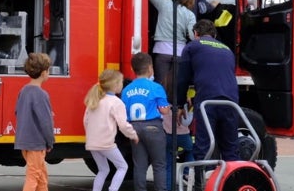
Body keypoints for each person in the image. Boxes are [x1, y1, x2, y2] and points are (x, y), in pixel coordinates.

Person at [176, 19, 239, 191]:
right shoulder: (227, 49)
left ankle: (199, 186)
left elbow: (182, 78)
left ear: (195, 34)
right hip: (231, 102)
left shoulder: (192, 47)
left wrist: (179, 103)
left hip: (207, 101)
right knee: (230, 148)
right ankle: (230, 185)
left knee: (203, 146)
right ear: (215, 35)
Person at [121, 52, 170, 191]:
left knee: (139, 166)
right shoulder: (156, 87)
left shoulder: (126, 89)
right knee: (159, 165)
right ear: (150, 68)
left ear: (133, 69)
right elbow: (164, 110)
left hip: (134, 128)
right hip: (153, 127)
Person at [83, 69, 139, 191]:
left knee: (103, 170)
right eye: (121, 82)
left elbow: (85, 121)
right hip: (107, 143)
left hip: (92, 143)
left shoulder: (94, 101)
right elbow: (123, 125)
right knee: (122, 166)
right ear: (115, 85)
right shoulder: (117, 103)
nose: (122, 85)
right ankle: (113, 189)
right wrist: (133, 135)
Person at [14, 53, 55, 191]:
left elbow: (17, 112)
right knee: (34, 176)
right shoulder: (41, 94)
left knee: (41, 176)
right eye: (49, 70)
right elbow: (46, 122)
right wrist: (50, 141)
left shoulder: (23, 91)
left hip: (24, 141)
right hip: (36, 143)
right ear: (44, 72)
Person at [148, 0, 196, 86]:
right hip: (180, 52)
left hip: (162, 50)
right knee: (175, 86)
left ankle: (161, 103)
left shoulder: (163, 3)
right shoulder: (190, 15)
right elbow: (193, 36)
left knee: (160, 84)